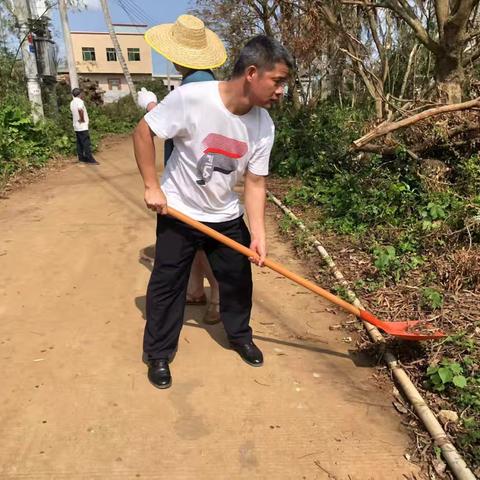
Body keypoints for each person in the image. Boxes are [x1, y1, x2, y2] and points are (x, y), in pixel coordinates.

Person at [133, 28, 292, 389]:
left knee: (237, 281)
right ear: (252, 74)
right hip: (180, 212)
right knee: (168, 284)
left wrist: (259, 236)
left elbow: (254, 183)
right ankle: (158, 353)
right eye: (277, 81)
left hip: (224, 215)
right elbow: (143, 133)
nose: (281, 90)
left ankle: (239, 336)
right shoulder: (193, 99)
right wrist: (151, 185)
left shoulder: (263, 125)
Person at [138, 15, 226, 325]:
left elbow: (155, 130)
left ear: (177, 58)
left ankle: (214, 296)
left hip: (192, 183)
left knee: (200, 244)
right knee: (202, 242)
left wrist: (151, 108)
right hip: (211, 180)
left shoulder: (187, 93)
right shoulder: (215, 89)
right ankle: (198, 292)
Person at [69, 88, 99, 165]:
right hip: (82, 125)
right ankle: (90, 159)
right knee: (86, 142)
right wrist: (82, 119)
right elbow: (80, 110)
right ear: (80, 94)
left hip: (76, 125)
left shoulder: (72, 102)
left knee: (79, 142)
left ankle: (81, 158)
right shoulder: (80, 101)